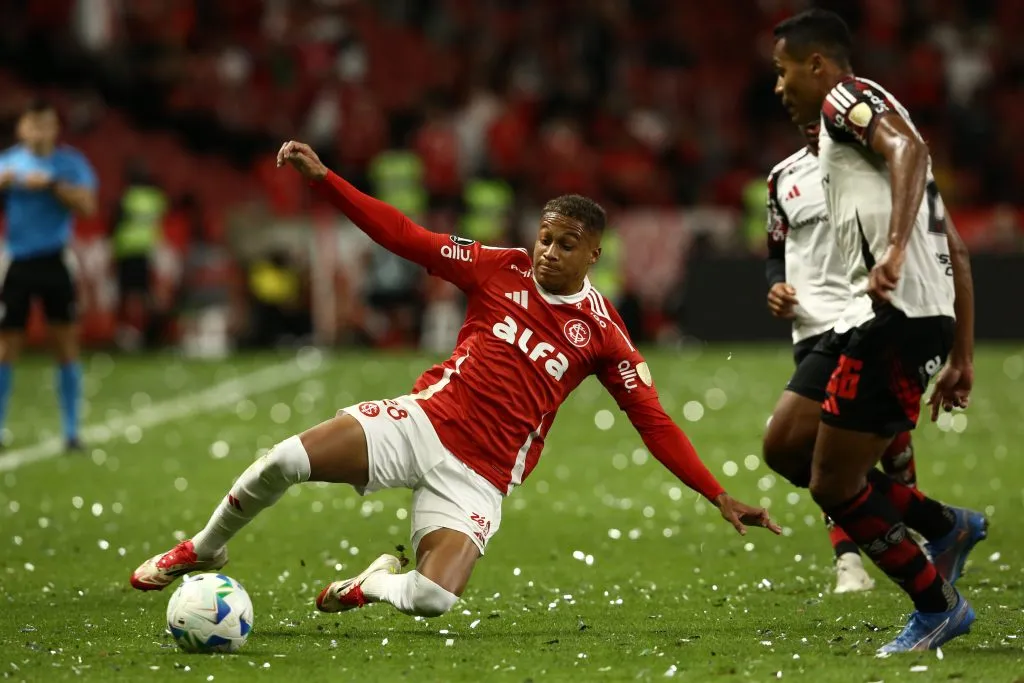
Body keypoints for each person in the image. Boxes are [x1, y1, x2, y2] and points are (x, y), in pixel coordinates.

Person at [131, 140, 780, 621]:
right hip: (423, 423)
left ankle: (368, 585)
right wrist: (327, 180)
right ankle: (203, 547)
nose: (549, 250)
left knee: (434, 597)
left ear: (594, 254)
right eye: (546, 236)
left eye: (566, 242)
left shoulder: (605, 332)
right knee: (283, 460)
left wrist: (717, 494)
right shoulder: (499, 268)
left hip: (483, 475)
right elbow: (406, 236)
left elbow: (655, 422)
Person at [770, 10, 986, 653]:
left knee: (833, 483)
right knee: (786, 445)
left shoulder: (848, 98)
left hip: (898, 315)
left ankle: (937, 603)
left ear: (816, 65)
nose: (779, 87)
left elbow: (909, 150)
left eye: (783, 72)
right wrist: (964, 354)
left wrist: (892, 250)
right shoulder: (849, 142)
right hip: (867, 315)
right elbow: (954, 243)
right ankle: (945, 525)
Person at [764, 122, 927, 594]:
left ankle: (919, 531)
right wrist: (774, 287)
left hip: (868, 312)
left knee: (888, 437)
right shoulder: (782, 178)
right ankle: (850, 560)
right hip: (813, 326)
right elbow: (775, 250)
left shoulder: (872, 165)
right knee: (825, 449)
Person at [0, 98, 97, 451]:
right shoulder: (7, 163)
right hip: (18, 263)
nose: (41, 132)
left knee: (65, 345)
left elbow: (88, 206)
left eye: (47, 125)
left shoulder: (69, 164)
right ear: (22, 128)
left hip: (55, 262)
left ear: (56, 129)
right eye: (34, 124)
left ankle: (72, 432)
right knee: (6, 346)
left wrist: (53, 185)